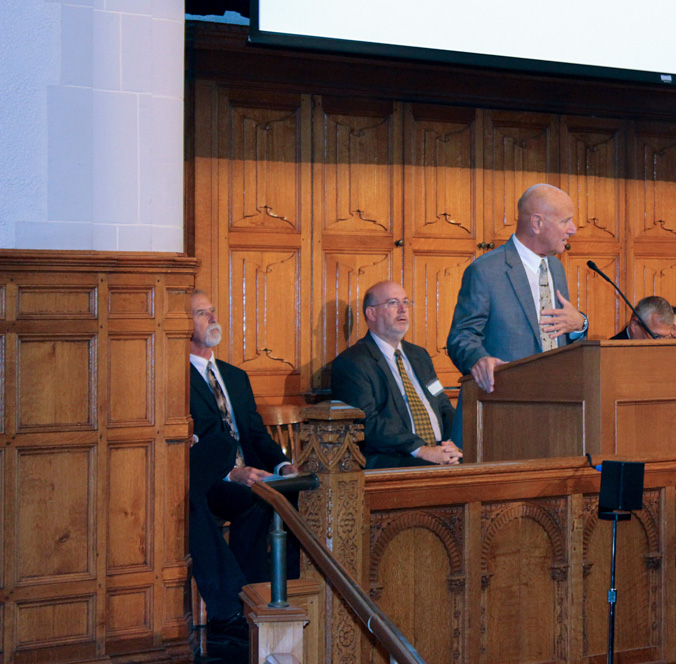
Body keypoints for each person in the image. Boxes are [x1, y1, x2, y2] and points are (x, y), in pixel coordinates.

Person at [187, 291, 299, 649]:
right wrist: (230, 473)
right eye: (201, 313)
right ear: (183, 325)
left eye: (212, 311)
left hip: (249, 473)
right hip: (209, 482)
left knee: (285, 494)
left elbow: (254, 435)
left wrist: (282, 464)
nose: (211, 318)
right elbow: (189, 449)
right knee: (247, 496)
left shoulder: (235, 376)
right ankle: (241, 601)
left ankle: (280, 593)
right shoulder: (175, 376)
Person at [447, 183, 588, 396]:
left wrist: (580, 324)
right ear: (537, 223)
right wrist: (478, 360)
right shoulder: (486, 271)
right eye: (565, 221)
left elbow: (559, 332)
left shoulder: (556, 268)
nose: (573, 229)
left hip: (557, 399)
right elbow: (461, 336)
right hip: (507, 400)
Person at [330, 281, 461, 468]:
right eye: (393, 302)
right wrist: (422, 450)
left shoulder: (420, 356)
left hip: (438, 451)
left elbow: (442, 403)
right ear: (371, 313)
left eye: (406, 302)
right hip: (394, 458)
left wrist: (450, 445)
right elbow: (366, 422)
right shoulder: (353, 362)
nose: (402, 309)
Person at [610, 296, 676, 339]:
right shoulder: (609, 352)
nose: (661, 345)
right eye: (656, 336)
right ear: (634, 324)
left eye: (666, 337)